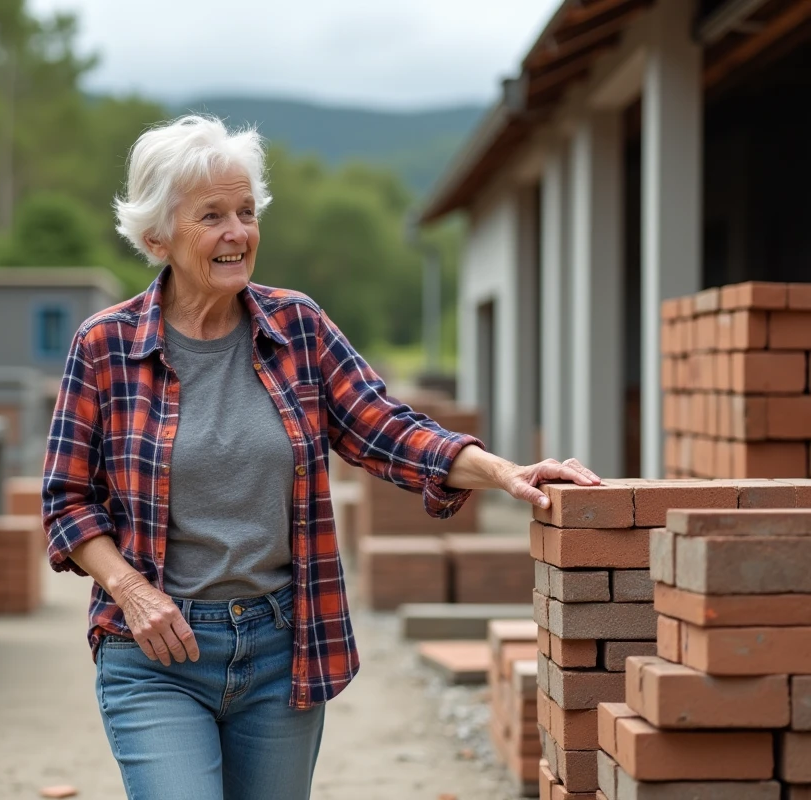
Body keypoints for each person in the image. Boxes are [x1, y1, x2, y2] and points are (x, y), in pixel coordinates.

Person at [41, 114, 599, 800]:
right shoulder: (104, 346)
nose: (237, 233)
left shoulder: (296, 328)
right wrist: (131, 592)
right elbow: (66, 503)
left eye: (246, 212)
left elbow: (385, 427)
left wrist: (504, 471)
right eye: (212, 216)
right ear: (158, 235)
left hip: (281, 650)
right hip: (156, 649)